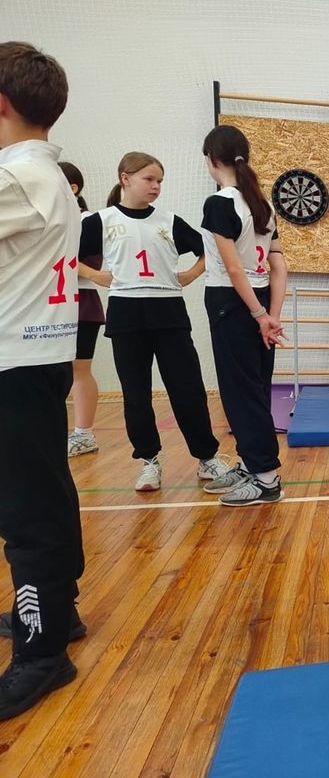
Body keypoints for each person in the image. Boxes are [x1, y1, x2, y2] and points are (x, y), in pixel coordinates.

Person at [0, 40, 84, 719]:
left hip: (17, 363)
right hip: (34, 358)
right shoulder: (43, 173)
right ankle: (59, 610)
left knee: (27, 511)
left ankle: (42, 650)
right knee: (43, 494)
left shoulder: (20, 176)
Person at [80, 152, 228, 492]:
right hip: (126, 313)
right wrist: (97, 276)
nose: (156, 186)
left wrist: (190, 274)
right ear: (125, 178)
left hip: (169, 312)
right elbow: (64, 256)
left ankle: (207, 458)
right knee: (136, 393)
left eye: (159, 181)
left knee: (188, 388)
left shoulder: (169, 221)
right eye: (149, 179)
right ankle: (149, 461)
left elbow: (209, 250)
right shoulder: (100, 221)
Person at [198, 124, 288, 506]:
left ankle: (265, 479)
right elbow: (279, 267)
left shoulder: (220, 202)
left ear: (211, 159)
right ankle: (253, 464)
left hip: (234, 303)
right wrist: (270, 314)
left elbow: (234, 269)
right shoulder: (261, 203)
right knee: (256, 388)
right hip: (258, 301)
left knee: (241, 392)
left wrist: (259, 314)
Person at [61, 161, 104, 457]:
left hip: (81, 303)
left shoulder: (88, 220)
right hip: (48, 304)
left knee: (79, 369)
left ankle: (83, 434)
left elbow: (90, 266)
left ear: (73, 188)